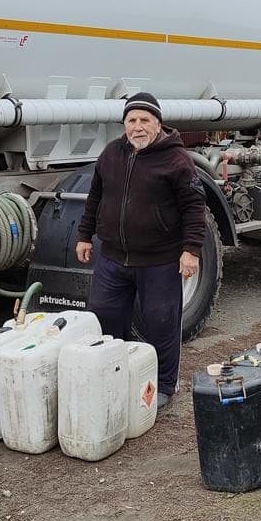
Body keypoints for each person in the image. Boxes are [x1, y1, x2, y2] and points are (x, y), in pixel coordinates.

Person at [75, 93, 206, 410]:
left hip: (159, 260)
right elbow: (95, 197)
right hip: (112, 258)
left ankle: (163, 385)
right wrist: (84, 235)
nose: (138, 126)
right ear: (124, 125)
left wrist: (191, 250)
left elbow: (194, 207)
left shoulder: (177, 161)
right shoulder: (110, 154)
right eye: (131, 120)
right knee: (104, 318)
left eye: (145, 120)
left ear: (158, 124)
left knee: (160, 323)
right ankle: (115, 374)